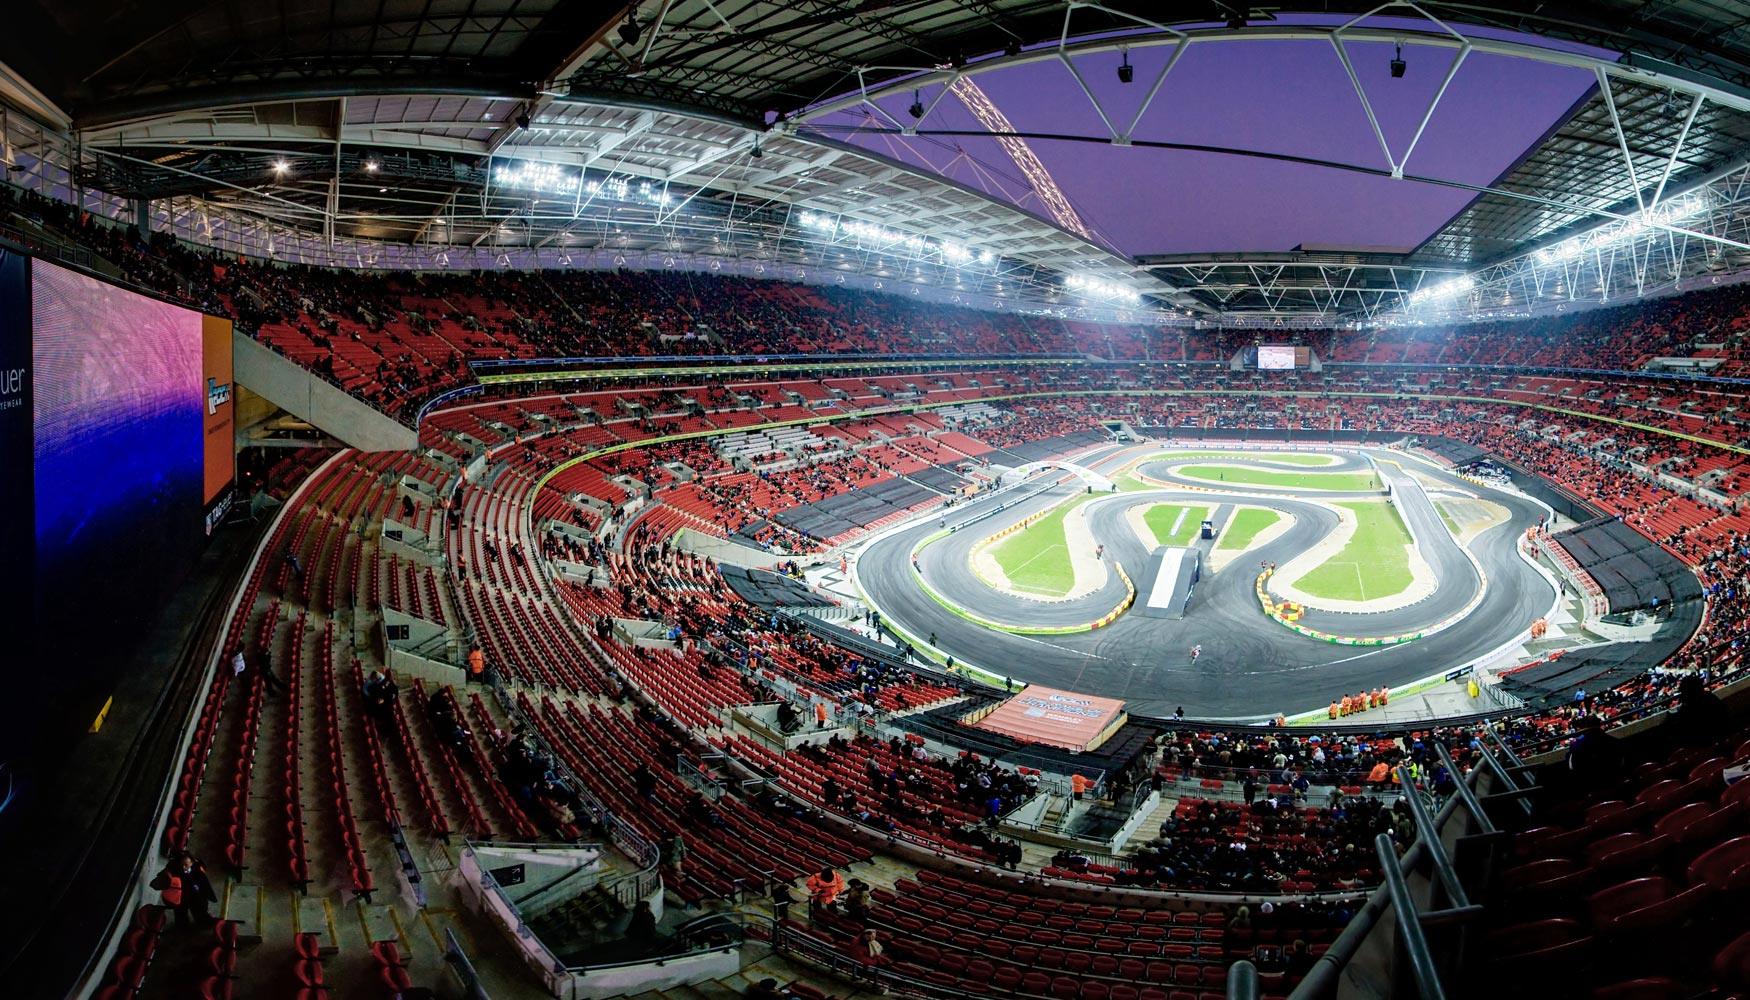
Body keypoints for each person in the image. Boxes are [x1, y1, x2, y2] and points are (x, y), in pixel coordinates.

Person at [153, 852, 217, 929]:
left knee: (200, 913)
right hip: (180, 900)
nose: (183, 867)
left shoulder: (197, 868)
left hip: (195, 897)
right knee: (181, 917)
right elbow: (157, 884)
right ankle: (183, 929)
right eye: (181, 865)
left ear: (192, 863)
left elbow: (204, 881)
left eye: (186, 865)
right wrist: (164, 879)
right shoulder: (173, 871)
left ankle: (203, 924)